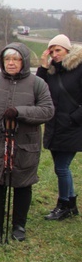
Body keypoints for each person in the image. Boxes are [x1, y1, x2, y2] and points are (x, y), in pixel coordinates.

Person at [0, 43, 54, 242]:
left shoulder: (37, 83)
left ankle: (19, 225)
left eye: (16, 59)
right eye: (7, 59)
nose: (11, 63)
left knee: (23, 183)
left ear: (23, 61)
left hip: (24, 144)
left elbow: (48, 110)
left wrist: (20, 112)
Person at [36, 34, 81, 220]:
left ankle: (63, 205)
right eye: (52, 51)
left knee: (62, 168)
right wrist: (43, 66)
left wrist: (74, 118)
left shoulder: (79, 69)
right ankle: (70, 204)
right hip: (54, 127)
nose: (55, 54)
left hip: (72, 127)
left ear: (68, 50)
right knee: (61, 167)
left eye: (58, 50)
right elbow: (38, 89)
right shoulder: (52, 72)